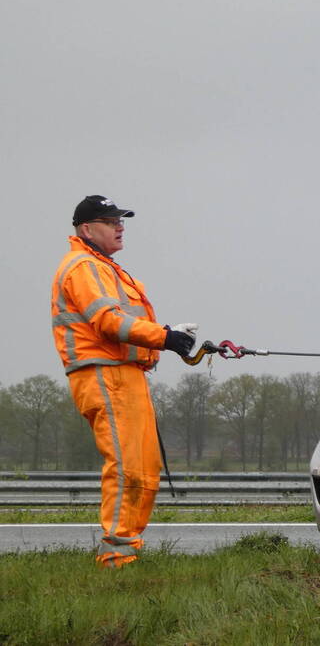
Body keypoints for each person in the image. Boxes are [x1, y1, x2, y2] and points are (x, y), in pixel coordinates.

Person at [50, 195, 198, 568]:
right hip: (103, 374)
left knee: (143, 465)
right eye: (110, 221)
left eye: (121, 220)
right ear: (87, 229)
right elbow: (109, 322)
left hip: (124, 375)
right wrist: (165, 337)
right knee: (127, 464)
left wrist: (168, 335)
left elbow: (122, 321)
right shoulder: (83, 266)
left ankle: (125, 548)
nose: (120, 227)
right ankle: (116, 555)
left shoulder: (103, 267)